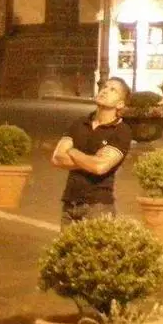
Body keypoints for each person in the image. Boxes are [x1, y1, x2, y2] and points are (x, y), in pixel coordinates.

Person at [51, 78, 133, 224]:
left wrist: (72, 152)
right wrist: (91, 160)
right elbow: (57, 158)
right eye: (105, 87)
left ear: (120, 104)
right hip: (69, 205)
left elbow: (99, 167)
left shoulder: (121, 131)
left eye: (113, 90)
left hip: (98, 207)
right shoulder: (79, 123)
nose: (105, 91)